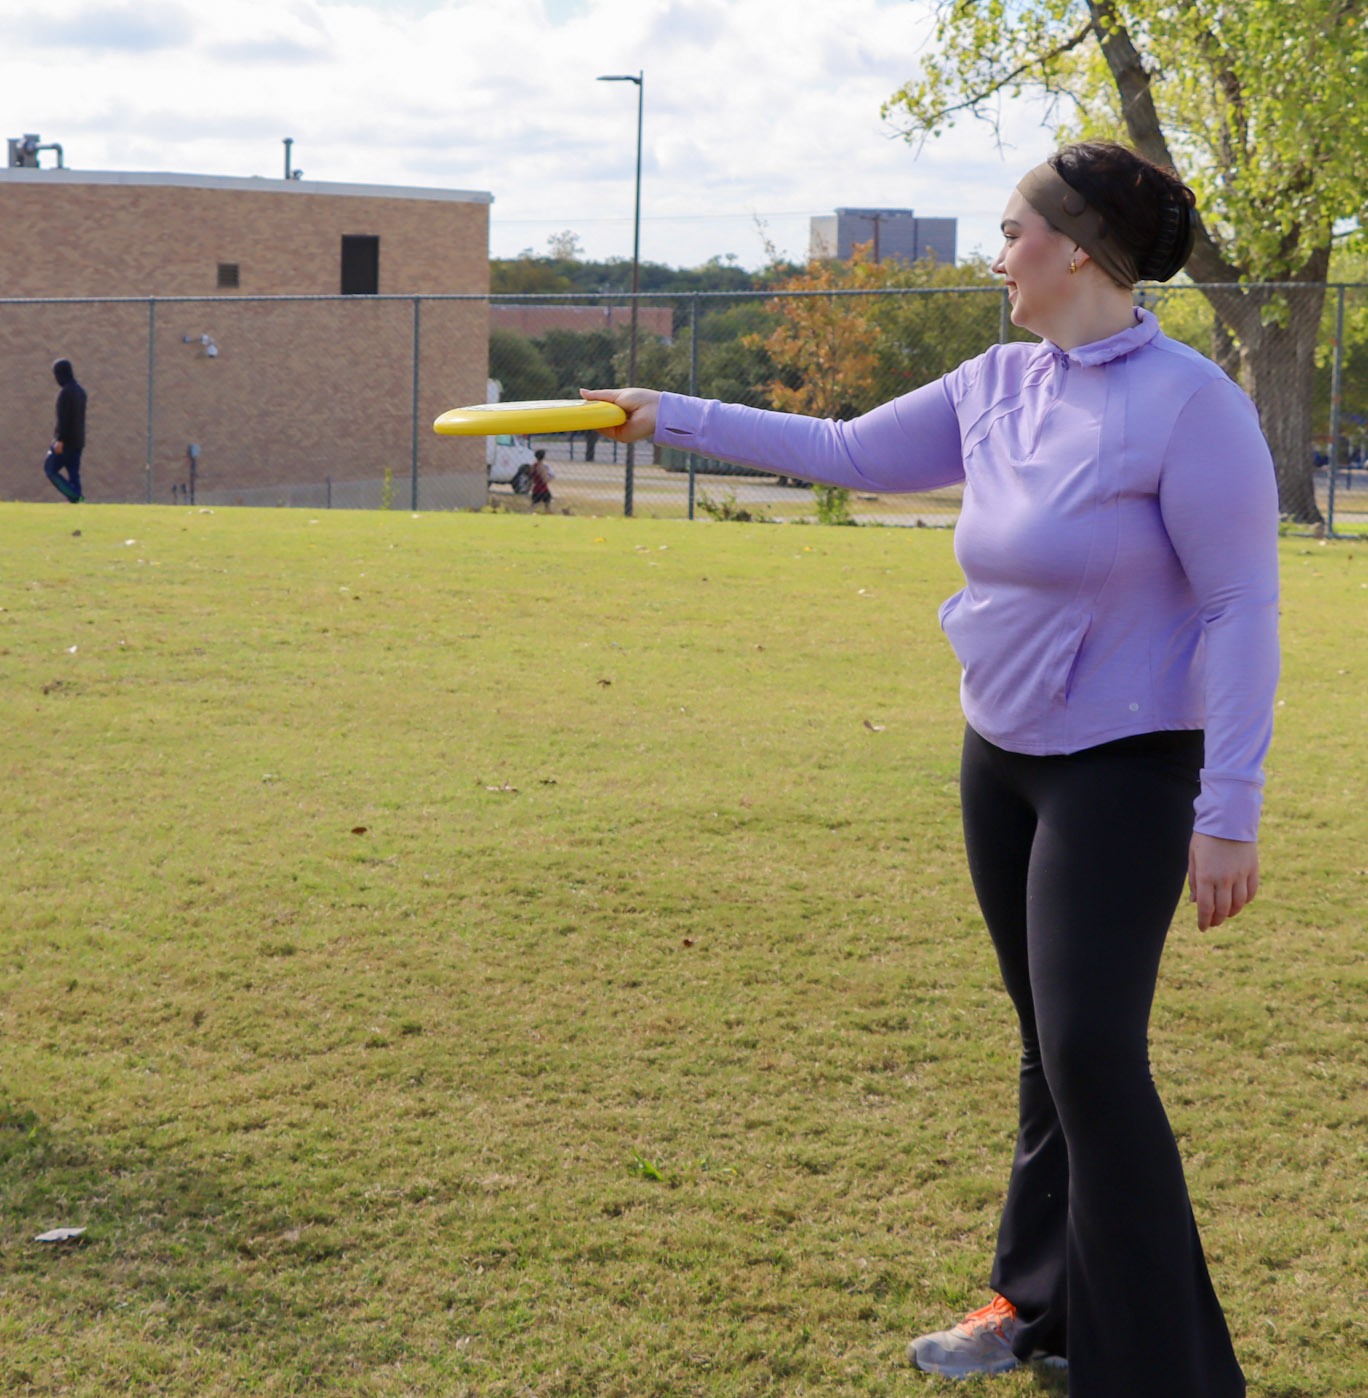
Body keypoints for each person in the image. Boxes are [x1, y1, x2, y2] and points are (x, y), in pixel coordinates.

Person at [587, 142, 1276, 1398]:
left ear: (1072, 249)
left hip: (1122, 768)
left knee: (1091, 1056)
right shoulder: (996, 383)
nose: (994, 251)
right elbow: (848, 450)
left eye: (1010, 229)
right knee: (1043, 1045)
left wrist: (1226, 810)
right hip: (999, 756)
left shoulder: (1190, 405)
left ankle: (1160, 1370)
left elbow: (1239, 606)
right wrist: (671, 414)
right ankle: (1034, 1301)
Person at [42, 357, 87, 502]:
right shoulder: (81, 391)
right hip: (79, 440)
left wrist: (59, 440)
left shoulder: (66, 393)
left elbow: (64, 419)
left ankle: (74, 496)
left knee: (50, 469)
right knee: (74, 474)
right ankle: (77, 500)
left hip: (66, 441)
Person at [529, 447, 554, 512]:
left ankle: (529, 514)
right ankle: (547, 514)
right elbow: (544, 479)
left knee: (534, 505)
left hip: (536, 487)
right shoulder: (542, 467)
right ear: (543, 457)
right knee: (547, 505)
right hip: (543, 488)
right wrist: (551, 477)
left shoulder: (533, 466)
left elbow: (532, 476)